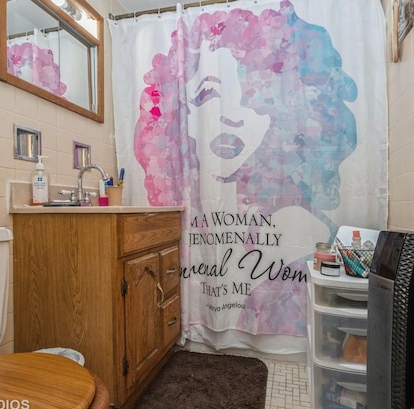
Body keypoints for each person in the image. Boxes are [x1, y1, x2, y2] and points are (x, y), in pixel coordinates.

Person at [134, 1, 359, 338]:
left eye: (254, 94)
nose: (234, 113)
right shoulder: (182, 211)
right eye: (209, 93)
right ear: (177, 120)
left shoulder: (300, 228)